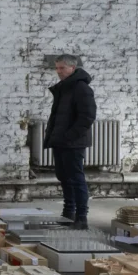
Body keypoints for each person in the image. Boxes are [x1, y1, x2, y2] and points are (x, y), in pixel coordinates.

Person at [44, 54, 96, 230]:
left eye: (62, 68)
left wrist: (69, 136)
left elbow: (87, 117)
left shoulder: (82, 89)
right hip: (61, 141)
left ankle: (82, 217)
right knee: (64, 177)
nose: (58, 72)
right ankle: (68, 213)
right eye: (57, 68)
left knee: (75, 178)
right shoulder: (64, 88)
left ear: (72, 68)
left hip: (73, 142)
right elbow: (58, 116)